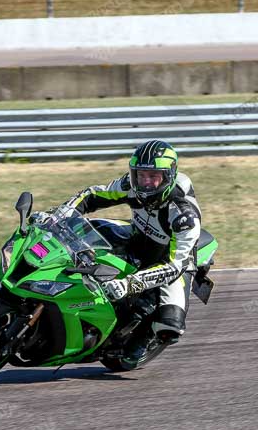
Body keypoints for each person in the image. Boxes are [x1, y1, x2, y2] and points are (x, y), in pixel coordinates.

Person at [60, 140, 202, 364]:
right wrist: (62, 212)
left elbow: (173, 267)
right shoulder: (130, 184)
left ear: (168, 176)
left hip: (171, 260)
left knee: (171, 324)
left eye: (152, 176)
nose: (145, 182)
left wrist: (129, 284)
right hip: (138, 236)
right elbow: (92, 195)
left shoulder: (184, 215)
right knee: (83, 230)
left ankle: (144, 337)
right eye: (140, 175)